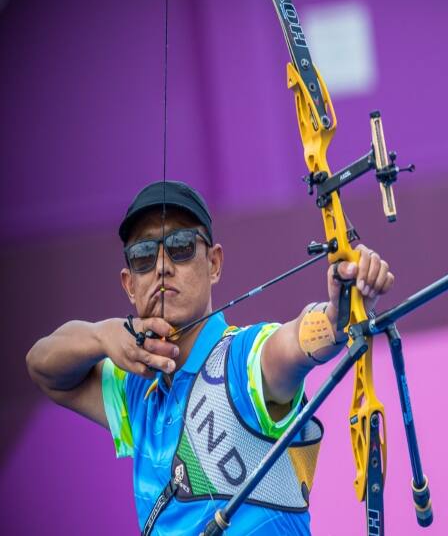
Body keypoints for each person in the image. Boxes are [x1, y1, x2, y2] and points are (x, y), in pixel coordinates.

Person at [26, 180, 394, 535]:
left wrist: (336, 314)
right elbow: (42, 366)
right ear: (129, 284)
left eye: (182, 246)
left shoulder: (240, 361)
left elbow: (291, 346)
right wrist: (101, 335)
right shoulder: (138, 389)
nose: (161, 266)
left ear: (214, 263)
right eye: (143, 255)